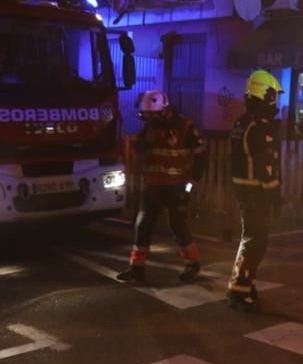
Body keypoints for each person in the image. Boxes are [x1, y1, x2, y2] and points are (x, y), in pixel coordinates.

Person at [117, 90, 206, 283]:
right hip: (153, 186)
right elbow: (139, 148)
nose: (146, 118)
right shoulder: (151, 128)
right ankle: (137, 269)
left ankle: (193, 265)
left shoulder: (186, 127)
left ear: (162, 111)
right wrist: (144, 143)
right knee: (142, 226)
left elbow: (201, 157)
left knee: (178, 226)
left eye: (149, 115)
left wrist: (189, 188)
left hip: (177, 188)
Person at [228, 70, 283, 310]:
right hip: (257, 193)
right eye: (274, 95)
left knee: (249, 238)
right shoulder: (262, 126)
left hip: (242, 189)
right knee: (256, 242)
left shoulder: (242, 122)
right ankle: (240, 289)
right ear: (268, 95)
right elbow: (266, 166)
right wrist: (275, 195)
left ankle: (243, 283)